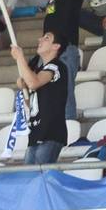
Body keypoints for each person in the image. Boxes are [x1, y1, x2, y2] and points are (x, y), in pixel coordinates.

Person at [10, 31, 71, 165]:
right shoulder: (38, 72)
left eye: (46, 38)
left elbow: (33, 82)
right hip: (36, 134)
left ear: (56, 46)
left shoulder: (57, 66)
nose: (40, 40)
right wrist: (24, 88)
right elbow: (29, 103)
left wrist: (20, 57)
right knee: (30, 180)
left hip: (50, 133)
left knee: (38, 179)